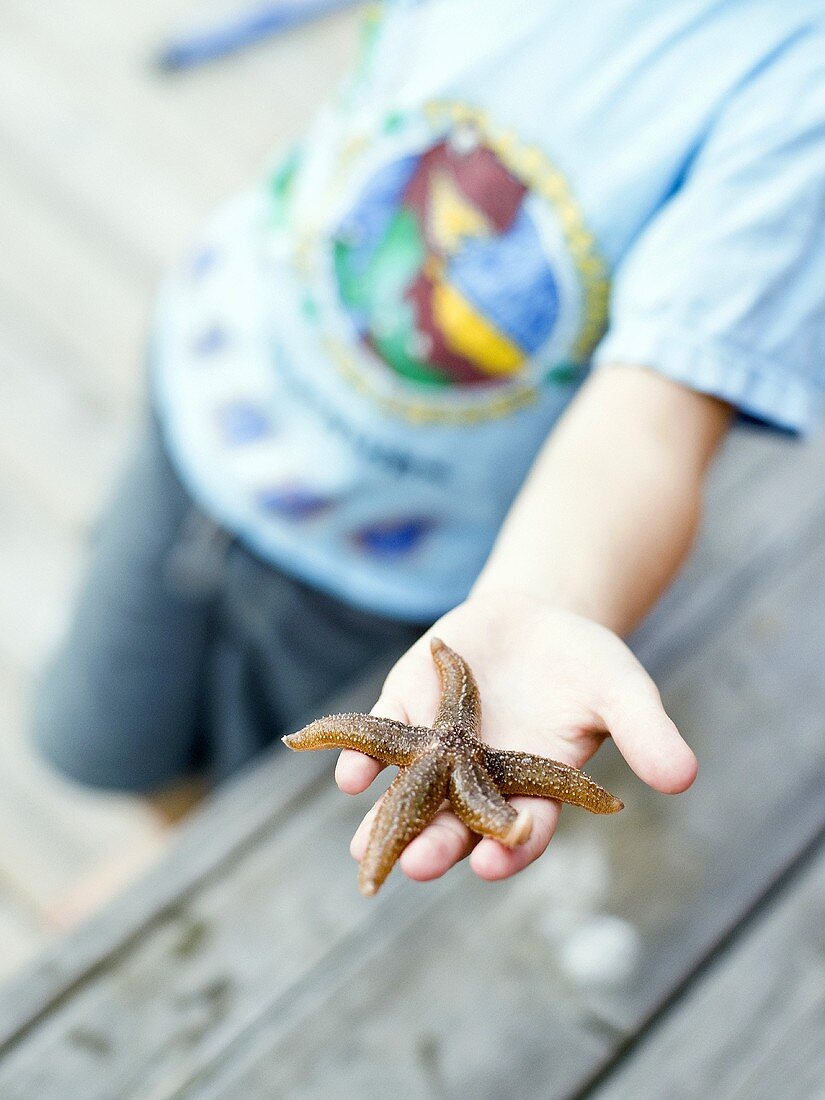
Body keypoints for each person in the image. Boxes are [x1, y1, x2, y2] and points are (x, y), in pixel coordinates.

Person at [34, 0, 825, 895]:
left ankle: (184, 854)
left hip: (397, 575)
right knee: (115, 730)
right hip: (214, 390)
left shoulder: (798, 94)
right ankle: (168, 827)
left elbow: (653, 419)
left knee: (272, 783)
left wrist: (535, 600)